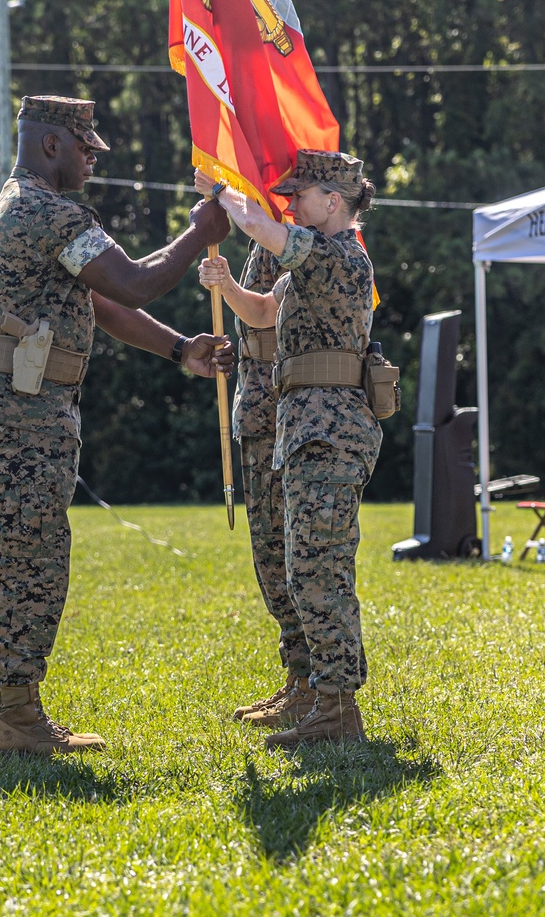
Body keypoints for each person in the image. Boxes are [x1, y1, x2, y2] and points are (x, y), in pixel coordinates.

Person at [0, 96, 232, 759]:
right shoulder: (46, 210)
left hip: (18, 410)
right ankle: (17, 721)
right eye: (86, 144)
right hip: (19, 416)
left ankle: (20, 713)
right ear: (52, 145)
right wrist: (200, 232)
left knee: (33, 559)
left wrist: (176, 349)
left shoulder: (26, 207)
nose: (95, 155)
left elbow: (101, 301)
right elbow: (133, 283)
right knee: (30, 564)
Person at [196, 150, 380, 748]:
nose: (292, 202)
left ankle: (336, 708)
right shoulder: (310, 261)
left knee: (320, 568)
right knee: (304, 566)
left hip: (329, 429)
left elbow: (260, 227)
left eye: (302, 194)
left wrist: (221, 192)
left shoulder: (342, 255)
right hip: (304, 428)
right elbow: (265, 311)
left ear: (335, 200)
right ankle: (322, 696)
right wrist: (227, 287)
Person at [224, 240, 314, 730]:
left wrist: (224, 285)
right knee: (269, 554)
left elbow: (267, 316)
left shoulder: (291, 237)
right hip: (259, 412)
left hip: (283, 411)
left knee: (287, 555)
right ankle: (298, 678)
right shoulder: (265, 239)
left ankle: (310, 685)